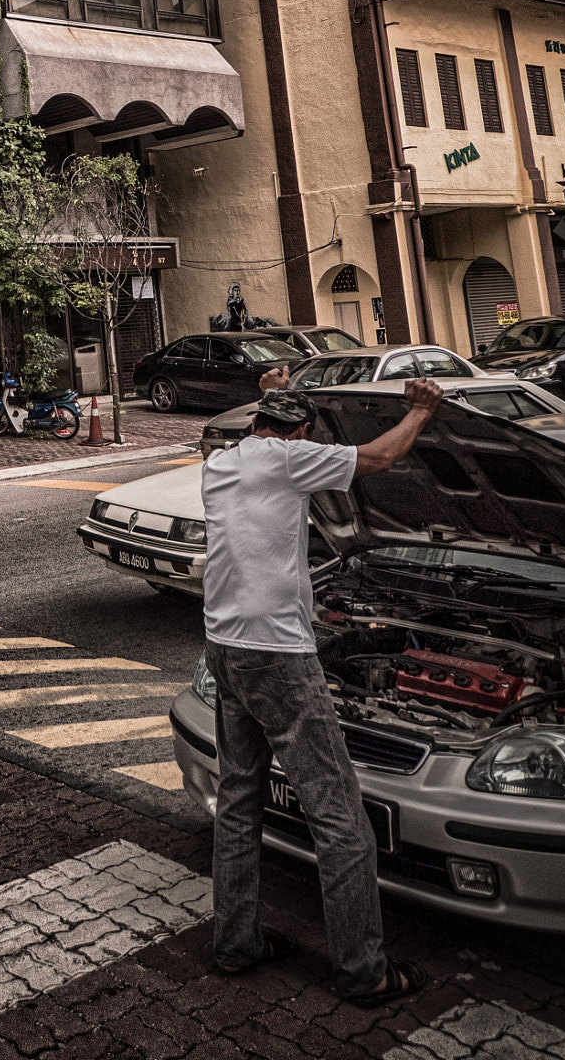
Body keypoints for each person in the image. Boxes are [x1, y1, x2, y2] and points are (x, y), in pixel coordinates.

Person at [201, 373, 444, 1003]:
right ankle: (365, 972)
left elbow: (274, 430)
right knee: (340, 817)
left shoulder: (221, 463)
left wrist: (281, 387)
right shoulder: (290, 460)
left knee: (238, 799)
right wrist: (420, 410)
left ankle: (236, 943)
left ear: (257, 422)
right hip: (277, 656)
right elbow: (386, 456)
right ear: (301, 435)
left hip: (225, 647)